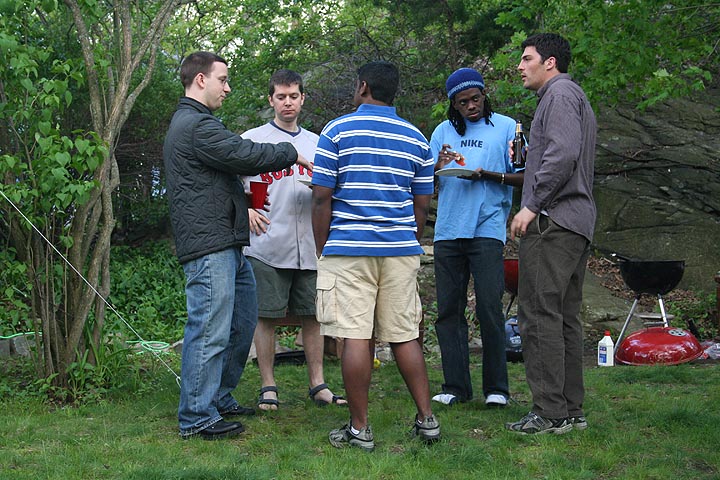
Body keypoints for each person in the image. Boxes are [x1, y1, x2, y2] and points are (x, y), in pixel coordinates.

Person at [163, 51, 311, 440]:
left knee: (241, 322)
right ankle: (196, 416)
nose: (227, 88)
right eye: (223, 80)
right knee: (209, 329)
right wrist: (291, 152)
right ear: (200, 80)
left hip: (228, 242)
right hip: (209, 244)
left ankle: (218, 397)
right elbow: (243, 155)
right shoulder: (195, 125)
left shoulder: (200, 123)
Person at [311, 61, 440, 451]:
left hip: (349, 249)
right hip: (400, 250)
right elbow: (422, 205)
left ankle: (360, 429)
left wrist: (323, 247)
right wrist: (407, 240)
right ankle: (427, 420)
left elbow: (321, 197)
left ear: (363, 86)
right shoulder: (417, 138)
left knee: (354, 336)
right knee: (404, 336)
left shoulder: (336, 131)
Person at [506, 33, 597, 435]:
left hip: (554, 222)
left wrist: (531, 205)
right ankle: (570, 410)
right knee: (564, 318)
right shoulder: (571, 96)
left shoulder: (558, 95)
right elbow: (562, 152)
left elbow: (562, 155)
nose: (520, 66)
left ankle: (549, 411)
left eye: (527, 58)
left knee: (539, 314)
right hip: (576, 221)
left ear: (550, 62)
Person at [241, 69, 346, 410]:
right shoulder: (252, 140)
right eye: (281, 97)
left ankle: (318, 384)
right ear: (271, 100)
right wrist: (246, 209)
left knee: (313, 315)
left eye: (294, 96)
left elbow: (332, 187)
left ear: (303, 99)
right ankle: (268, 385)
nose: (288, 102)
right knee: (266, 316)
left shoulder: (318, 143)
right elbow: (229, 184)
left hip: (311, 245)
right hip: (267, 242)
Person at [430, 68, 524, 409]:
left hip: (487, 228)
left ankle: (496, 388)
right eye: (462, 102)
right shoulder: (442, 131)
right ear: (453, 105)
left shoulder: (507, 127)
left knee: (489, 308)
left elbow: (525, 175)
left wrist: (489, 175)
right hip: (448, 230)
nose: (471, 106)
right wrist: (437, 166)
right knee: (448, 311)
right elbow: (426, 182)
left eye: (475, 98)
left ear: (484, 95)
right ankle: (456, 387)